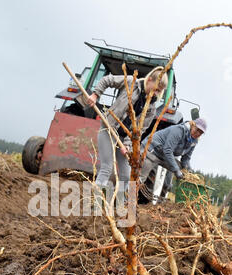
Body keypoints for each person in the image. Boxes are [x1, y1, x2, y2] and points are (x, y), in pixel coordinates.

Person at [87, 67, 168, 204]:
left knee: (126, 174)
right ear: (149, 80)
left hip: (123, 139)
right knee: (107, 167)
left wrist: (127, 145)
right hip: (109, 129)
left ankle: (119, 204)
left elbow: (139, 131)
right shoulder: (131, 82)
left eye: (160, 91)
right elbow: (107, 79)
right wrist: (95, 95)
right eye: (156, 89)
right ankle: (94, 202)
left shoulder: (151, 108)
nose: (156, 94)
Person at [139, 118, 207, 186]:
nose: (198, 133)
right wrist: (176, 170)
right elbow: (168, 150)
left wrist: (189, 172)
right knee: (139, 179)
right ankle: (131, 195)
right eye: (197, 130)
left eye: (201, 132)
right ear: (192, 125)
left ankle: (169, 187)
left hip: (163, 156)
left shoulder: (194, 141)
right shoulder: (179, 130)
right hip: (151, 151)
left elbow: (186, 158)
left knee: (183, 171)